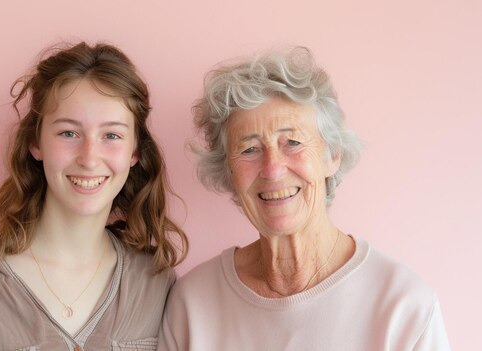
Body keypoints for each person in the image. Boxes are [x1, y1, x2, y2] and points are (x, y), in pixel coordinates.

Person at [158, 47, 450, 350]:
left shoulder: (403, 307)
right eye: (249, 149)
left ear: (332, 155)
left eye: (292, 142)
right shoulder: (191, 306)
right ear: (229, 171)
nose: (272, 169)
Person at [0, 42, 188, 351]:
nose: (89, 157)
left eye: (112, 135)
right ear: (36, 143)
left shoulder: (155, 282)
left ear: (134, 151)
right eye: (68, 133)